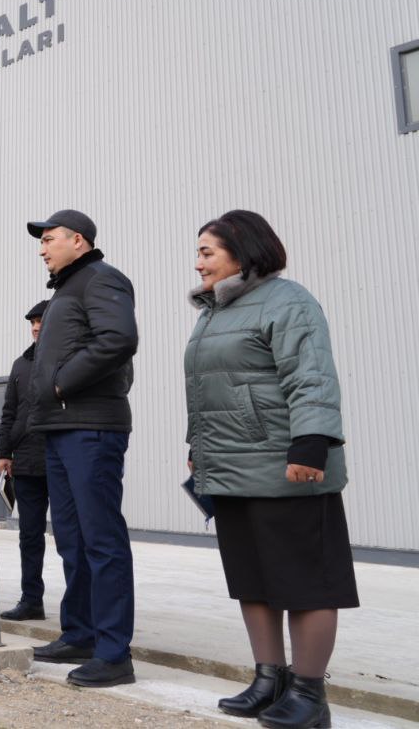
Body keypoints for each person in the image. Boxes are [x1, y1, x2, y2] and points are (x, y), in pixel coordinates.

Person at [185, 210, 356, 728]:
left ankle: (309, 694)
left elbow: (311, 376)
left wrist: (310, 444)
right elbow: (211, 391)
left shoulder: (289, 302)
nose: (197, 264)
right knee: (253, 581)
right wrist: (197, 445)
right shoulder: (213, 312)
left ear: (244, 251)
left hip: (287, 467)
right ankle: (269, 678)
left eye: (207, 252)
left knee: (305, 583)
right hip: (230, 467)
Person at [25, 209, 139, 688]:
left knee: (101, 539)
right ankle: (81, 632)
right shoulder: (67, 292)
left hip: (91, 426)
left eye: (49, 239)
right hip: (60, 426)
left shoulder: (102, 279)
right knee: (71, 539)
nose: (42, 248)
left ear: (78, 240)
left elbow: (119, 340)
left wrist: (59, 384)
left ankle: (114, 653)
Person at [0, 300, 50, 622]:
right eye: (32, 323)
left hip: (60, 458)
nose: (36, 327)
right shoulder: (21, 364)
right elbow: (9, 412)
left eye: (42, 321)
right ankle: (32, 600)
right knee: (29, 535)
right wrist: (3, 452)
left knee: (72, 537)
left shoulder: (66, 358)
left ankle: (83, 607)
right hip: (26, 461)